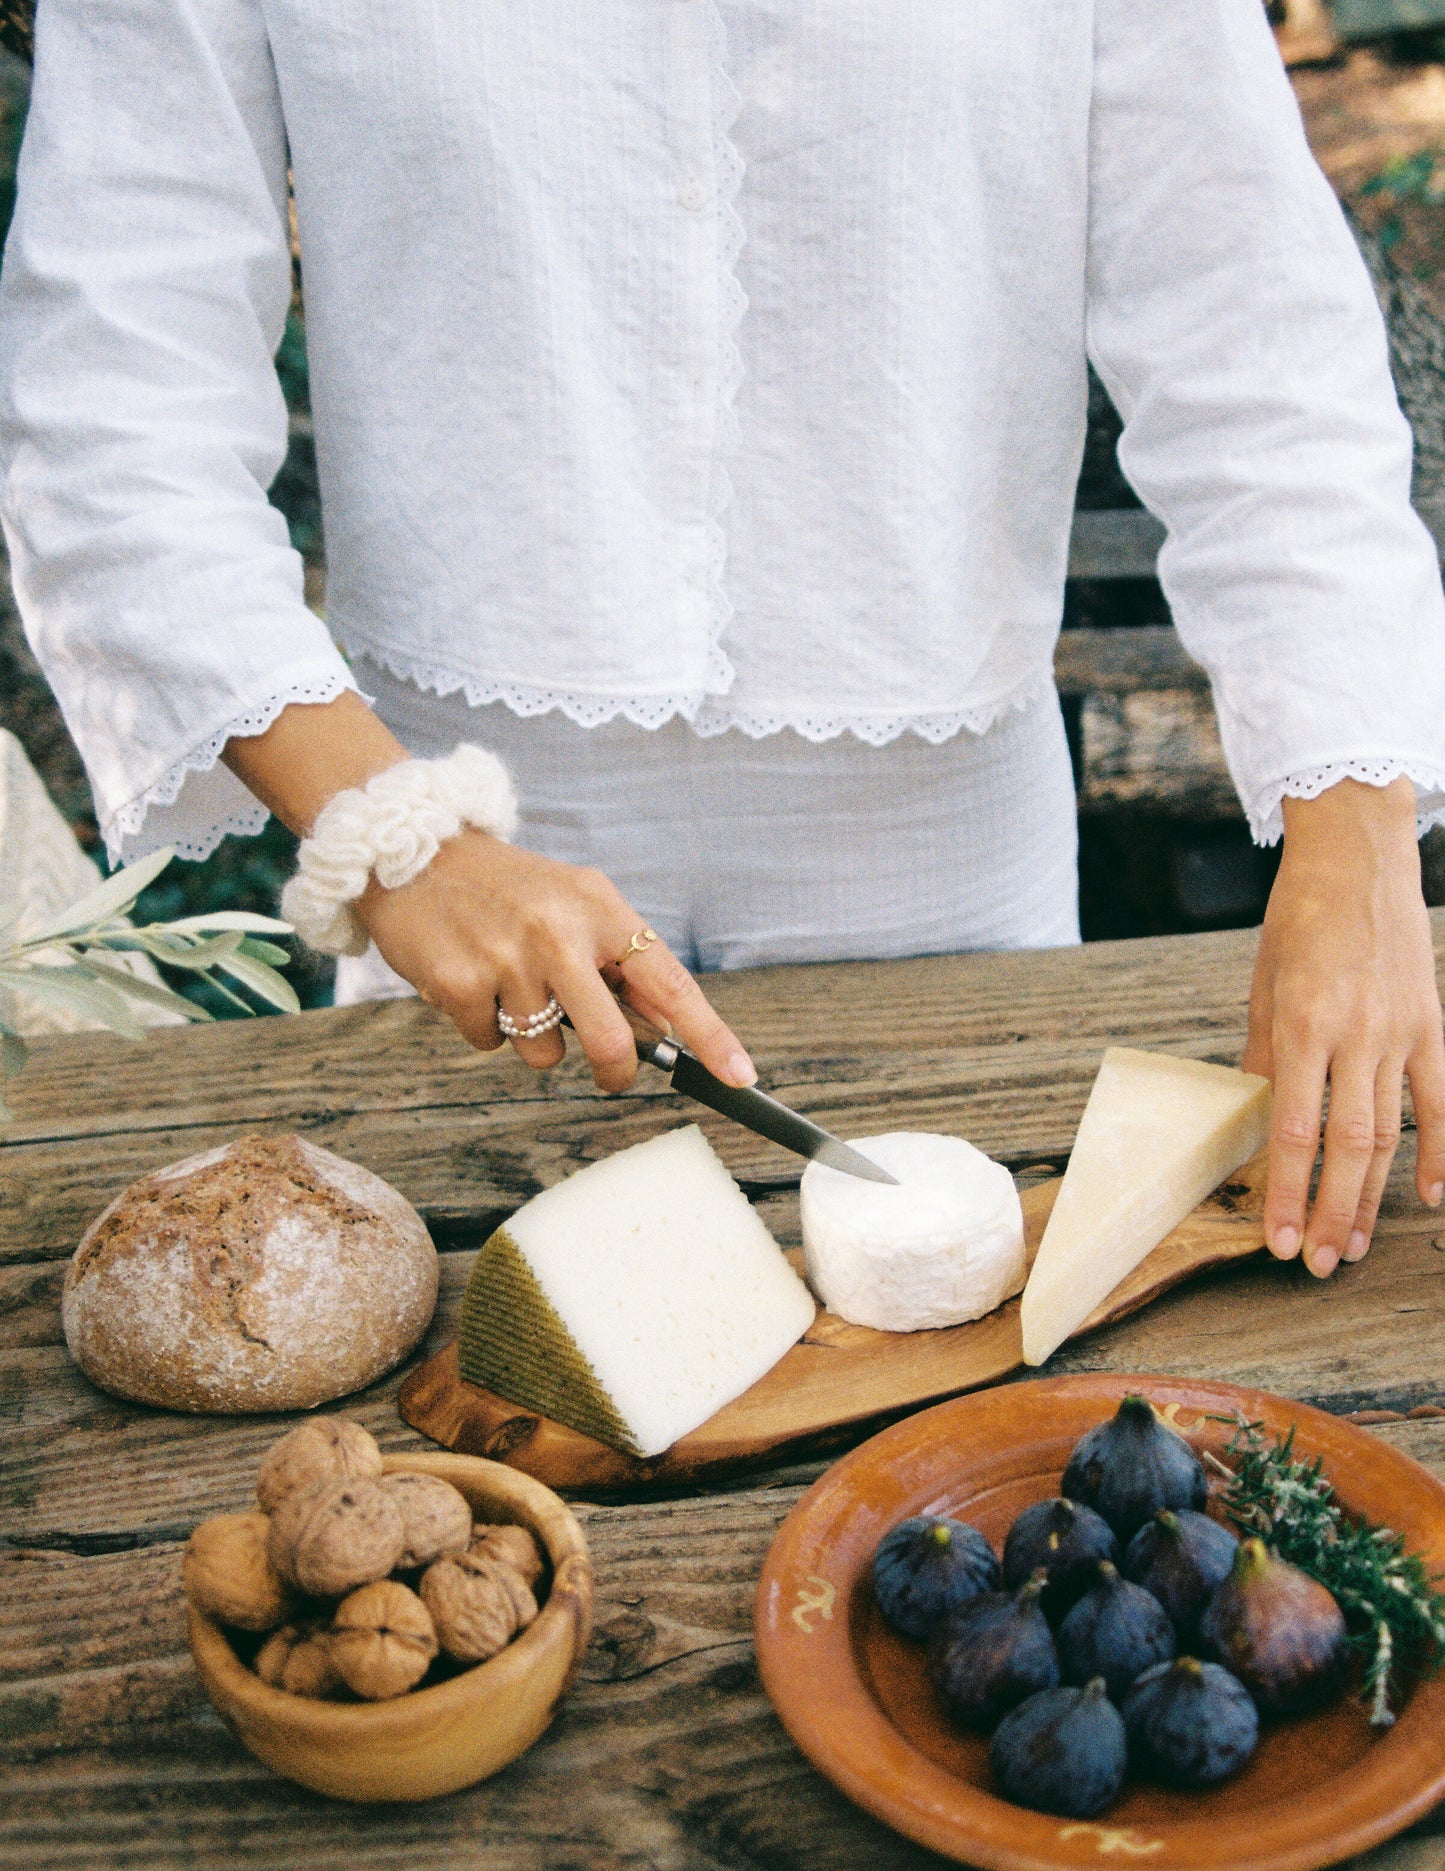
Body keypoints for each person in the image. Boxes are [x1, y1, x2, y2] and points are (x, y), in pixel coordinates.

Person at [1, 0, 1443, 1285]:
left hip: (948, 874)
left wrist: (1358, 832)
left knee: (967, 1418)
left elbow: (1254, 339)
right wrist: (396, 836)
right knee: (479, 1390)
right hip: (467, 894)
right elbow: (111, 403)